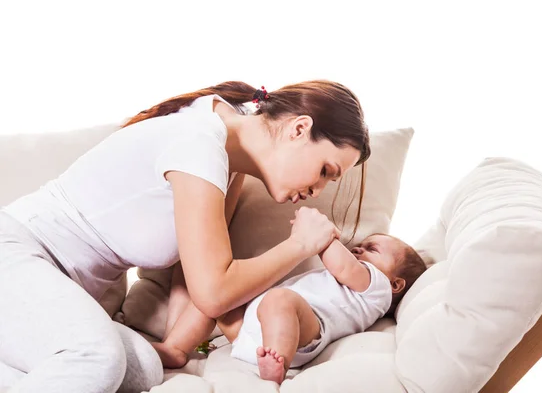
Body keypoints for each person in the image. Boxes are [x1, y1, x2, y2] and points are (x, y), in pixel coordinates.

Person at [0, 80, 370, 393]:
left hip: (50, 290)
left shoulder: (227, 152)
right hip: (15, 254)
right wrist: (300, 245)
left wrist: (177, 347)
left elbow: (200, 271)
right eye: (325, 170)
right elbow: (213, 291)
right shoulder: (201, 144)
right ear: (299, 128)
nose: (317, 189)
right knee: (96, 357)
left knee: (145, 366)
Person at [153, 233, 427, 384]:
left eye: (371, 249)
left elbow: (342, 264)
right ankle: (176, 349)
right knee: (215, 296)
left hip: (301, 332)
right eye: (359, 246)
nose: (357, 250)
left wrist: (323, 235)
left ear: (396, 284)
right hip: (252, 330)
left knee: (280, 299)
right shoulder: (358, 277)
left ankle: (277, 363)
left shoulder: (376, 287)